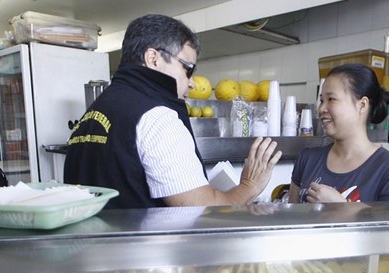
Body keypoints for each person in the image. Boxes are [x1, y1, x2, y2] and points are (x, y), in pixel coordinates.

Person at [64, 14, 281, 209]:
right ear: (153, 58)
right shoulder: (157, 117)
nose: (192, 83)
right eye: (188, 69)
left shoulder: (94, 110)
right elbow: (202, 210)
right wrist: (249, 186)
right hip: (142, 251)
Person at [288, 63, 389, 203]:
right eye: (322, 100)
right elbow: (291, 220)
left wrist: (340, 206)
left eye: (331, 99)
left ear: (362, 105)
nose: (322, 108)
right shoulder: (307, 159)